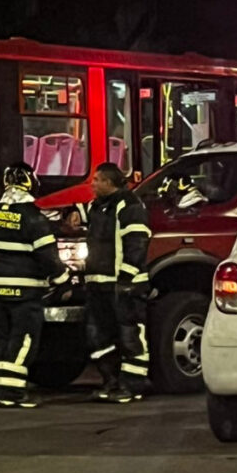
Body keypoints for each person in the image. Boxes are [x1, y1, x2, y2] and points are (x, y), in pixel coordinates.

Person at [0, 163, 70, 408]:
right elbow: (48, 257)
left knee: (2, 340)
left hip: (0, 291)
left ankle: (0, 391)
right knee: (24, 341)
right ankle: (15, 393)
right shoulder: (34, 219)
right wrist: (63, 280)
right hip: (26, 293)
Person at [78, 162, 153, 403]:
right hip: (98, 283)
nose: (93, 184)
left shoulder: (129, 205)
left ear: (109, 183)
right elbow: (85, 217)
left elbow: (137, 242)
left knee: (130, 336)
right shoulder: (97, 206)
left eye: (97, 180)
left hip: (124, 285)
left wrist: (127, 277)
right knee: (99, 337)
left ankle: (133, 386)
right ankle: (110, 382)